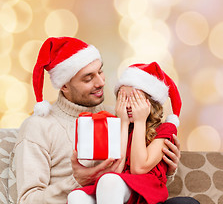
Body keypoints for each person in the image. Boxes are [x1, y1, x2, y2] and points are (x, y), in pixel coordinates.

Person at [14, 37, 197, 204]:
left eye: (100, 72)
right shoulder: (38, 127)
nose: (101, 82)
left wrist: (166, 167)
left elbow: (137, 173)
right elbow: (27, 200)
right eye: (88, 78)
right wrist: (76, 181)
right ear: (64, 86)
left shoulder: (117, 114)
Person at [67, 62, 185, 204]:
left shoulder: (165, 129)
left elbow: (138, 168)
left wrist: (140, 121)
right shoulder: (116, 128)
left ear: (150, 103)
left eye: (135, 99)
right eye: (123, 99)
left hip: (144, 191)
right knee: (76, 196)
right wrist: (123, 123)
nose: (128, 105)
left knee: (109, 181)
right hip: (117, 188)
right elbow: (116, 170)